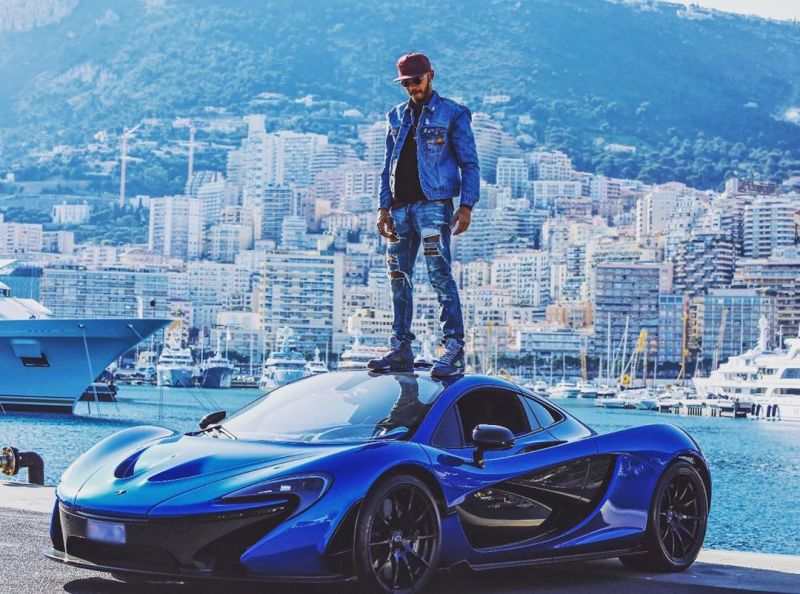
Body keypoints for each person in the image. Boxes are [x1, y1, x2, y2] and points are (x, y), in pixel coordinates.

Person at [368, 52, 479, 377]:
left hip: (434, 205)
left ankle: (454, 348)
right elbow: (386, 167)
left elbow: (469, 163)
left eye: (416, 81)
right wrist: (382, 207)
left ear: (431, 75)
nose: (412, 88)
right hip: (399, 208)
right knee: (398, 277)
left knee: (439, 273)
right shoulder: (395, 116)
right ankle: (401, 348)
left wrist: (467, 205)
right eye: (405, 84)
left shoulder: (453, 113)